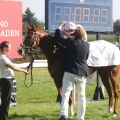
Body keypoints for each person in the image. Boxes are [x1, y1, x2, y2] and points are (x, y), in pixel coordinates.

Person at [54, 22, 89, 120]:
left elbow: (57, 37)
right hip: (82, 73)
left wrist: (59, 27)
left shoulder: (69, 42)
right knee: (81, 96)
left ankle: (63, 114)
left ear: (74, 34)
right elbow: (86, 58)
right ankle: (81, 118)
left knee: (65, 94)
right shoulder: (87, 45)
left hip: (69, 72)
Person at [0, 41, 28, 120]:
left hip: (7, 81)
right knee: (6, 103)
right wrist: (24, 70)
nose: (11, 48)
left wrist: (28, 60)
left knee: (5, 102)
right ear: (5, 48)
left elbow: (16, 62)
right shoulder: (3, 58)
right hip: (7, 82)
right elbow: (14, 67)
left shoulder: (5, 57)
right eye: (9, 47)